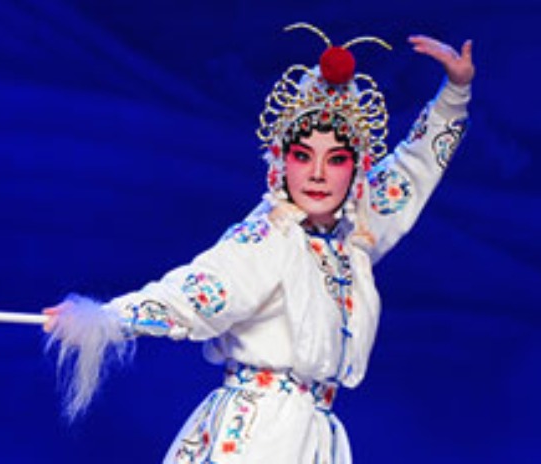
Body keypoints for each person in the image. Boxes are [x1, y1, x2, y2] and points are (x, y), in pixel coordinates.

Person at [43, 24, 474, 463]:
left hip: (312, 434)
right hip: (261, 432)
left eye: (336, 159)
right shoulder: (268, 238)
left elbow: (409, 172)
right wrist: (105, 319)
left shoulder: (350, 239)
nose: (318, 174)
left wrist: (454, 94)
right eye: (303, 156)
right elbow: (195, 292)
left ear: (356, 170)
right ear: (282, 163)